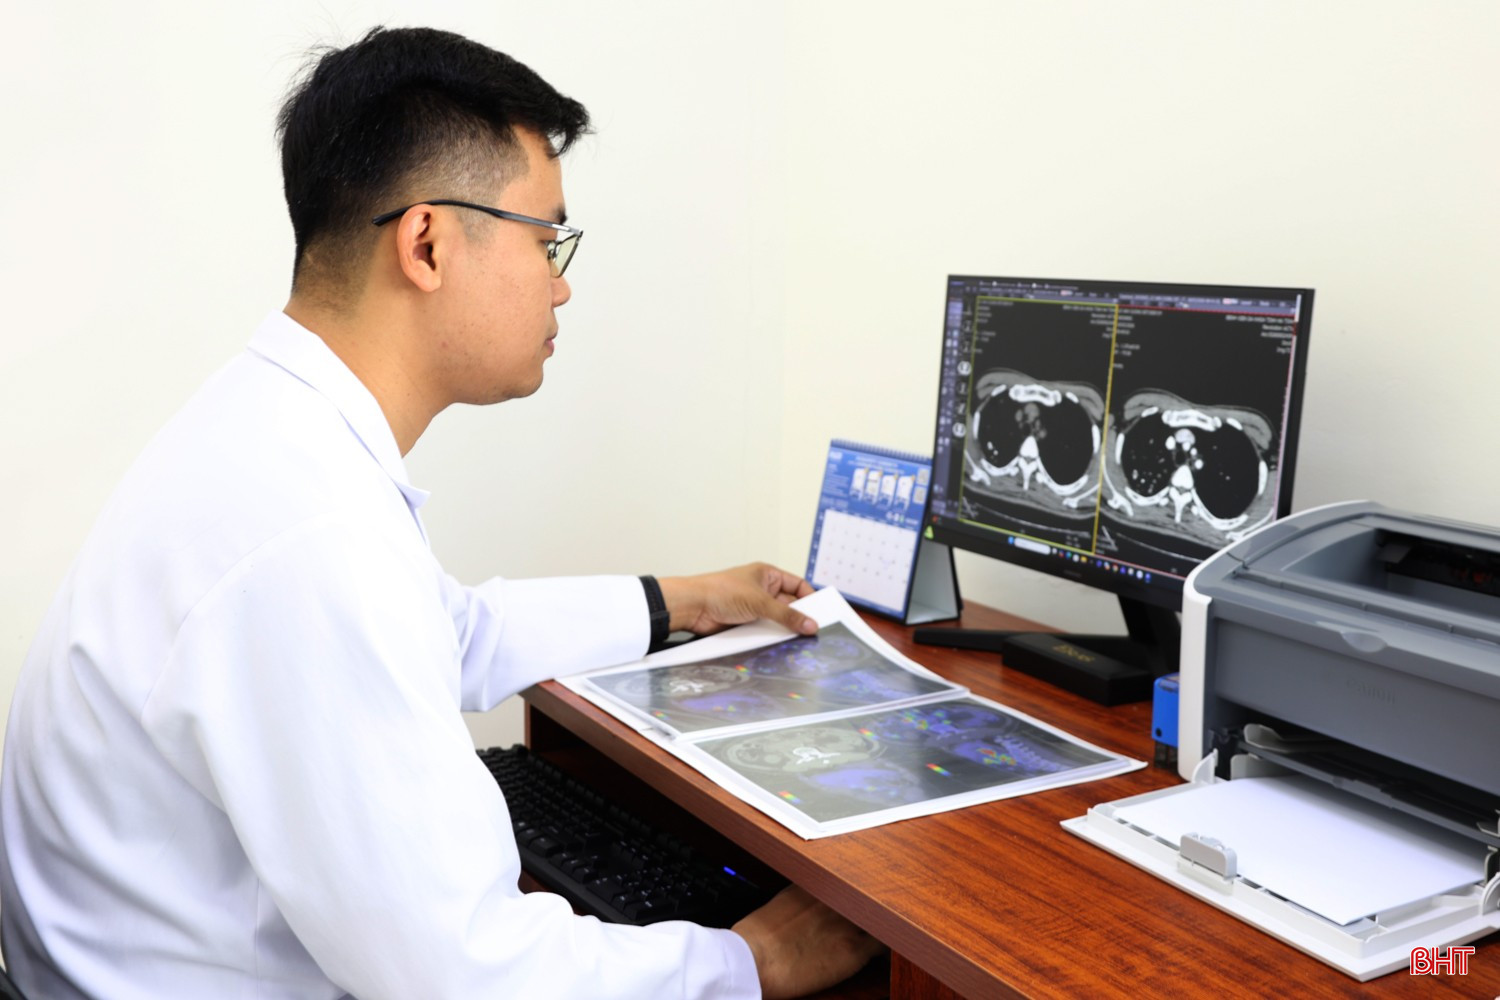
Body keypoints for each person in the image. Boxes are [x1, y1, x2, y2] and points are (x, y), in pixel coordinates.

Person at [0, 26, 881, 1000]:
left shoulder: (265, 428)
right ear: (426, 243)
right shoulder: (311, 531)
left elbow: (451, 630)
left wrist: (688, 600)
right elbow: (466, 974)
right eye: (546, 240)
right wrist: (754, 961)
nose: (562, 282)